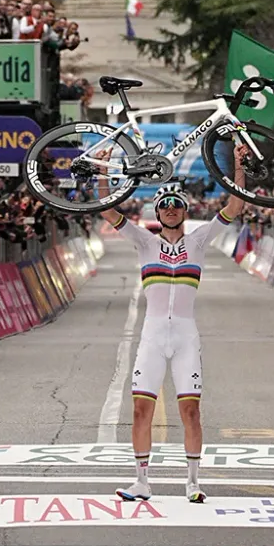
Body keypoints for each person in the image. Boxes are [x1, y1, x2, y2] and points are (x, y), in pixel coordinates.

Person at [98, 184, 245, 504]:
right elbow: (108, 210)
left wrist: (238, 166)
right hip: (151, 336)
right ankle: (141, 482)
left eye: (176, 204)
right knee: (140, 410)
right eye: (164, 204)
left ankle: (192, 482)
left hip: (185, 337)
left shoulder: (200, 240)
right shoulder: (144, 242)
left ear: (185, 210)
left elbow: (234, 206)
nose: (170, 208)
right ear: (157, 211)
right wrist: (103, 176)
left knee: (190, 411)